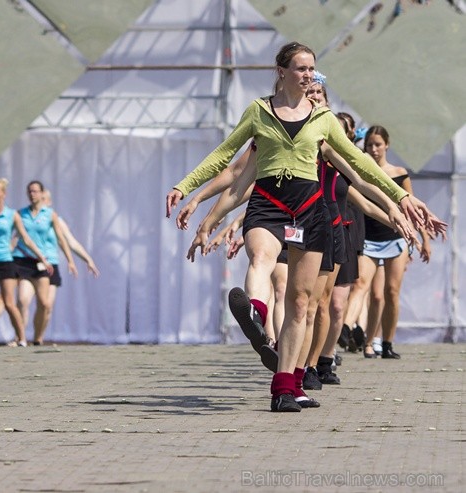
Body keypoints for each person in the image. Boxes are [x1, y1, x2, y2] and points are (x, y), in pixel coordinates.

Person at [166, 42, 428, 412]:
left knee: (300, 303)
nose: (307, 75)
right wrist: (186, 186)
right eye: (301, 69)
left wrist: (400, 196)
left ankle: (284, 387)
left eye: (311, 70)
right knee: (260, 256)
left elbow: (359, 164)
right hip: (268, 201)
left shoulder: (323, 119)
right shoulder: (258, 111)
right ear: (282, 71)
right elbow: (226, 158)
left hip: (309, 208)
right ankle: (255, 314)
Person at [344, 125, 431, 359]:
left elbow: (411, 208)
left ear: (387, 145)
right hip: (369, 239)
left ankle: (388, 342)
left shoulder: (400, 173)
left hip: (396, 239)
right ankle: (358, 335)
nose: (373, 149)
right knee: (367, 289)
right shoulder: (362, 172)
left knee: (391, 291)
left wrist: (424, 240)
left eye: (378, 144)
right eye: (370, 144)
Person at [0, 178, 53, 347]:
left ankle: (27, 338)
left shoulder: (17, 214)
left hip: (11, 262)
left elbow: (27, 239)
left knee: (12, 302)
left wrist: (43, 258)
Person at [12, 181, 77, 346]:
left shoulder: (50, 214)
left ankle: (38, 338)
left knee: (44, 303)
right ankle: (21, 338)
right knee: (22, 299)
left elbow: (61, 239)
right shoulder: (21, 214)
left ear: (42, 193)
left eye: (35, 191)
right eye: (30, 191)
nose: (32, 194)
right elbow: (15, 238)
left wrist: (70, 260)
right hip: (25, 261)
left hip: (44, 263)